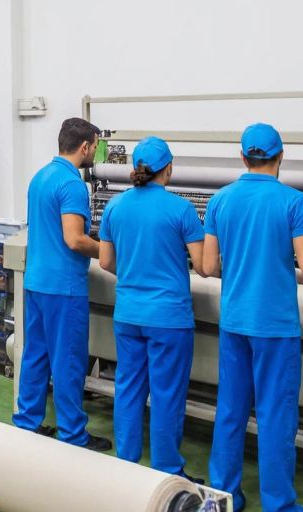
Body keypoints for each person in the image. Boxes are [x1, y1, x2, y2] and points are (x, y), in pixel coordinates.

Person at [199, 123, 303, 512]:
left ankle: (224, 496)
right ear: (280, 157)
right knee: (275, 416)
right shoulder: (294, 202)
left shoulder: (220, 200)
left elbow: (207, 266)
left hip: (234, 321)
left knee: (230, 411)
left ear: (242, 157)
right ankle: (279, 504)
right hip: (274, 326)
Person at [98, 136, 204, 481]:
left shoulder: (115, 207)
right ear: (168, 169)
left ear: (134, 169)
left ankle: (125, 467)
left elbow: (105, 261)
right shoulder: (181, 209)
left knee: (128, 389)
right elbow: (204, 265)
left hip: (128, 313)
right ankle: (166, 470)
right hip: (169, 318)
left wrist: (133, 272)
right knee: (166, 395)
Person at [12, 117, 111, 451]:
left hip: (37, 281)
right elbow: (74, 239)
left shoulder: (40, 178)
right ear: (85, 146)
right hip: (63, 288)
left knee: (35, 355)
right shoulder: (72, 184)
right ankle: (73, 434)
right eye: (96, 147)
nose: (95, 154)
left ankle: (27, 423)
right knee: (68, 360)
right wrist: (109, 252)